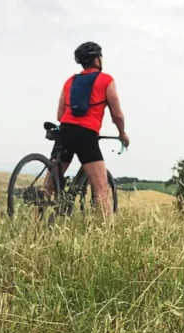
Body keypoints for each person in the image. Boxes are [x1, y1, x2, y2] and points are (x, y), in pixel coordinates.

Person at [50, 42, 129, 220]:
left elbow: (60, 114)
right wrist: (122, 133)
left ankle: (37, 226)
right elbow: (117, 115)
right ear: (96, 59)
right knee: (101, 188)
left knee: (50, 185)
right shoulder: (106, 80)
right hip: (86, 134)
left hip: (65, 131)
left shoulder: (70, 81)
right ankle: (108, 235)